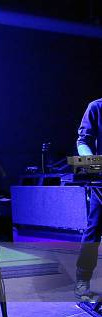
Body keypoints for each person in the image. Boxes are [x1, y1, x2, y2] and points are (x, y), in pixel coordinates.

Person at [75, 98, 102, 301]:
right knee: (94, 229)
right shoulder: (96, 107)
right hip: (101, 180)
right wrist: (93, 165)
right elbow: (83, 141)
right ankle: (82, 279)